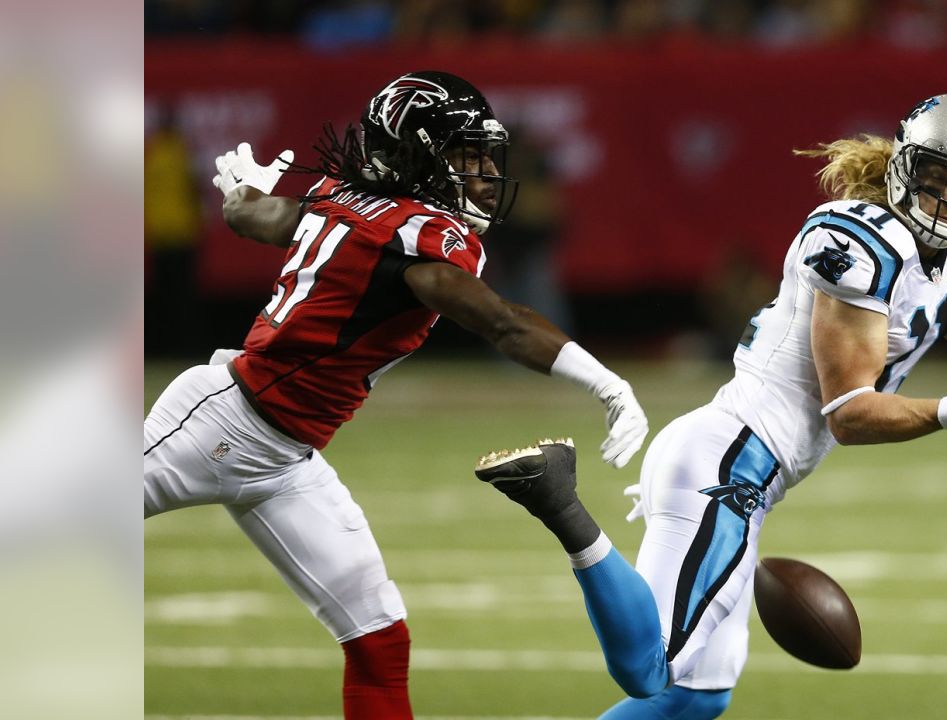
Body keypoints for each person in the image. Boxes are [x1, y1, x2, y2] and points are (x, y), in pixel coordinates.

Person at [475, 92, 947, 719]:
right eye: (938, 179)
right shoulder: (858, 246)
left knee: (696, 698)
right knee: (648, 672)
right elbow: (851, 413)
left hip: (748, 472)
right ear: (904, 168)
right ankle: (556, 497)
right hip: (724, 464)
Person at [142, 70, 650, 720]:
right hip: (220, 420)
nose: (485, 173)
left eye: (485, 155)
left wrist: (242, 193)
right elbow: (502, 321)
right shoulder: (413, 244)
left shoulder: (346, 200)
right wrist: (605, 382)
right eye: (466, 156)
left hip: (288, 462)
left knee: (380, 640)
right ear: (415, 154)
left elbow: (259, 216)